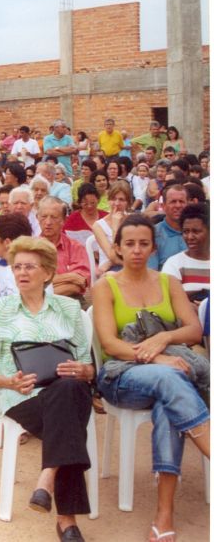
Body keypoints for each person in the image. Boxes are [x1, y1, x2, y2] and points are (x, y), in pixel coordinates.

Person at [92, 214, 208, 542]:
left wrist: (162, 339)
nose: (137, 250)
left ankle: (164, 515)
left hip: (168, 376)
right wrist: (156, 356)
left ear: (154, 247)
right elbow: (110, 343)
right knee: (171, 379)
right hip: (121, 376)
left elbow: (193, 328)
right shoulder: (105, 286)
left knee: (169, 400)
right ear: (117, 248)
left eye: (144, 244)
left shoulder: (167, 282)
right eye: (129, 244)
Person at [0, 236, 94, 542]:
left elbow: (85, 365)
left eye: (30, 267)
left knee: (69, 391)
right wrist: (8, 381)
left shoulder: (69, 309)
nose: (22, 273)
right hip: (22, 396)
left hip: (66, 392)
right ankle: (66, 519)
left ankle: (48, 478)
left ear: (48, 273)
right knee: (70, 409)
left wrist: (86, 370)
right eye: (17, 267)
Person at [37, 196, 90, 299]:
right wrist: (71, 277)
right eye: (44, 216)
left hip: (70, 300)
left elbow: (78, 285)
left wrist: (41, 291)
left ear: (64, 220)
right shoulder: (30, 248)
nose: (48, 222)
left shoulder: (75, 247)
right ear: (37, 218)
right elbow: (32, 282)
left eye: (54, 217)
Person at [161, 203, 209, 304]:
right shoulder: (174, 264)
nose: (190, 237)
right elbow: (169, 300)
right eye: (186, 231)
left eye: (196, 231)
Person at [92, 181, 133, 276]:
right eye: (113, 199)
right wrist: (115, 227)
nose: (117, 203)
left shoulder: (132, 220)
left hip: (128, 265)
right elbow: (114, 256)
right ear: (108, 200)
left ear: (127, 203)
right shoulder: (98, 226)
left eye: (121, 200)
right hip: (110, 271)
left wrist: (109, 262)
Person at [148, 184, 188, 271]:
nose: (178, 206)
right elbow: (152, 272)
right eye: (173, 202)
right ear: (163, 206)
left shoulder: (198, 232)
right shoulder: (153, 234)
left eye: (181, 201)